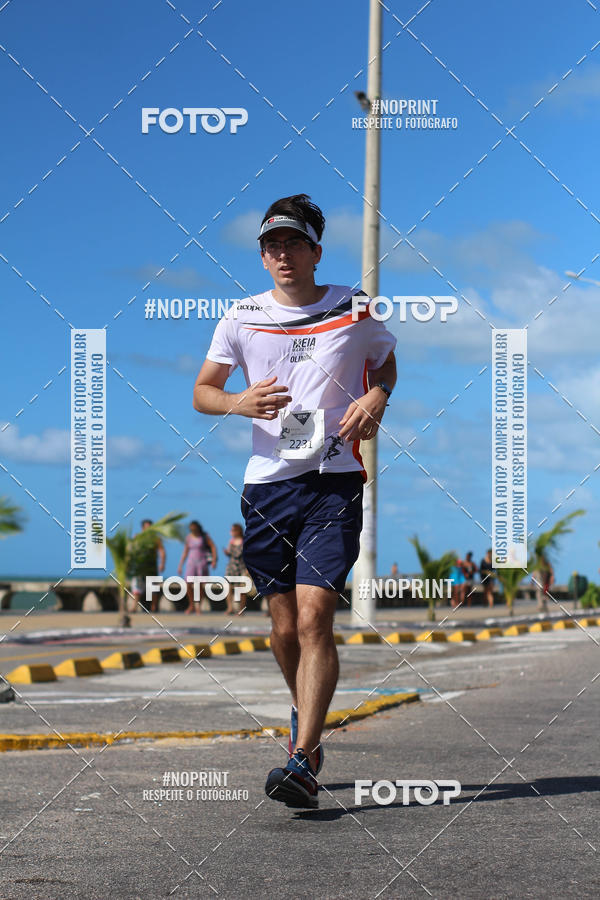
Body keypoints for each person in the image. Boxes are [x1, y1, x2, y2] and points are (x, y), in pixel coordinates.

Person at [193, 193, 397, 809]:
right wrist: (237, 403)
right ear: (262, 257)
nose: (280, 254)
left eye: (291, 243)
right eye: (270, 246)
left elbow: (385, 364)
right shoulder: (240, 316)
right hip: (267, 485)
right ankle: (303, 715)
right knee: (283, 626)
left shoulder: (353, 306)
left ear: (314, 250)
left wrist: (377, 399)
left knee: (314, 617)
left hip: (333, 478)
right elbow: (204, 391)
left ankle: (303, 758)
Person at [177, 521, 217, 614]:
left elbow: (213, 547)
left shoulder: (204, 536)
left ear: (198, 527)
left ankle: (198, 606)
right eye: (191, 528)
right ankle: (191, 605)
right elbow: (185, 551)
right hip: (191, 562)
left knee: (199, 585)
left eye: (194, 527)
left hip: (201, 562)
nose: (192, 529)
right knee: (188, 584)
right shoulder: (189, 537)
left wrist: (214, 560)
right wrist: (180, 565)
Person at [128, 519, 165, 613]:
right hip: (139, 566)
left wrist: (162, 563)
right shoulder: (137, 537)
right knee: (137, 587)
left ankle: (154, 606)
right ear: (142, 528)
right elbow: (131, 550)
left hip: (151, 565)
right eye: (146, 527)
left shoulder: (156, 539)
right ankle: (134, 607)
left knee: (153, 587)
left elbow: (161, 551)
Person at [224, 523, 247, 614]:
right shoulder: (231, 541)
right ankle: (230, 607)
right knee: (228, 587)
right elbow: (230, 553)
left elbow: (246, 555)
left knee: (241, 589)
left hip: (241, 567)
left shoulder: (244, 541)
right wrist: (226, 552)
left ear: (238, 531)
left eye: (233, 530)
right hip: (231, 566)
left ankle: (241, 609)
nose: (231, 532)